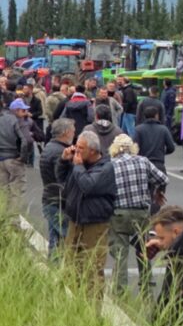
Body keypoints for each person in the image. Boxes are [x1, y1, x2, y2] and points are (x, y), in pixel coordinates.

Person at [56, 130, 117, 300]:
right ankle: (74, 306)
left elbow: (88, 186)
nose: (77, 151)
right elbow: (61, 178)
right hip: (75, 222)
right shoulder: (79, 164)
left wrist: (77, 166)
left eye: (80, 148)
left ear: (93, 150)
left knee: (92, 269)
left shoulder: (106, 167)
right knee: (70, 265)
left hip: (94, 224)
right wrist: (64, 161)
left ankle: (93, 312)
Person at [108, 134, 168, 295]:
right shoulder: (143, 161)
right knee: (143, 247)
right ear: (133, 148)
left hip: (119, 213)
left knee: (120, 253)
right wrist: (157, 193)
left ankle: (119, 289)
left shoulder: (111, 165)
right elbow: (163, 179)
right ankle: (147, 280)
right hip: (141, 213)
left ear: (114, 149)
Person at [39, 118, 76, 258]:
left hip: (50, 199)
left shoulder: (50, 147)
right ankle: (66, 273)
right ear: (66, 132)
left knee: (55, 239)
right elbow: (62, 177)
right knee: (69, 238)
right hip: (58, 201)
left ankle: (54, 271)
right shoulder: (60, 152)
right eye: (73, 130)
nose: (74, 133)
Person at [0, 98, 34, 213]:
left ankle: (3, 219)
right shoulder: (16, 121)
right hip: (13, 158)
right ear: (16, 110)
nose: (25, 114)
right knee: (16, 192)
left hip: (1, 159)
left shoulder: (1, 118)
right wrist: (23, 157)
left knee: (3, 191)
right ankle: (14, 222)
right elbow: (26, 141)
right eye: (23, 111)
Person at [134, 106, 176, 173]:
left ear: (144, 116)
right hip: (159, 164)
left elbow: (134, 148)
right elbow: (171, 147)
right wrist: (162, 152)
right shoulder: (163, 129)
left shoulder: (138, 129)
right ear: (156, 116)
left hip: (143, 164)